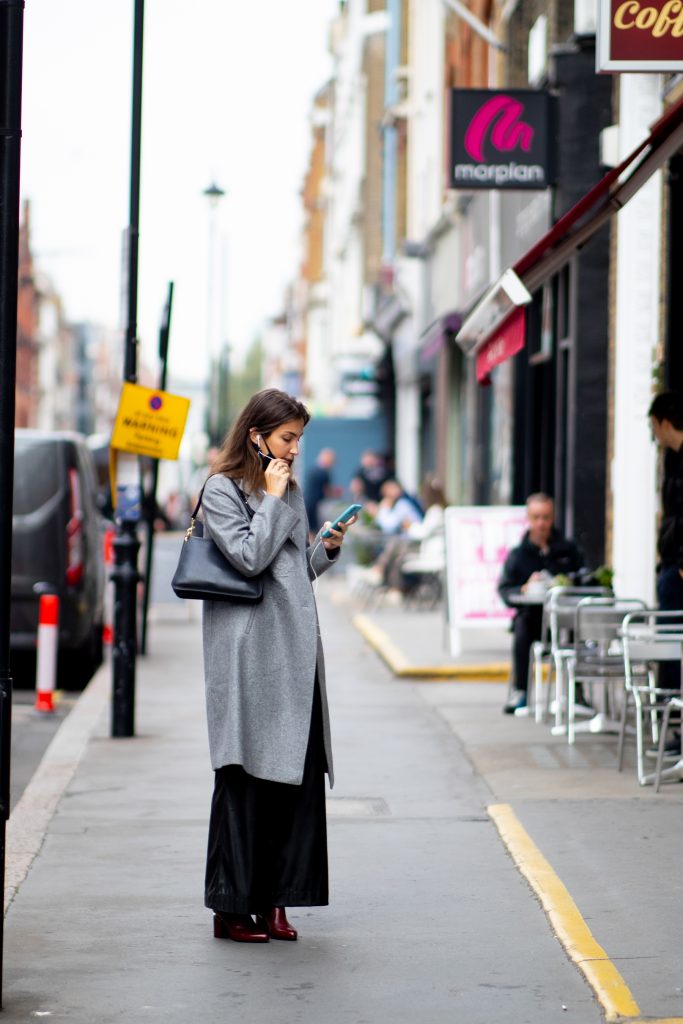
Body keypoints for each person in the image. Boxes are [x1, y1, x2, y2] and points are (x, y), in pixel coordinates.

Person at [199, 388, 355, 943]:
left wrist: (326, 550)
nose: (293, 450)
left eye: (298, 440)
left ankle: (279, 899)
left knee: (299, 778)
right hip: (248, 659)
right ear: (256, 437)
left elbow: (292, 568)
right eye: (287, 438)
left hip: (294, 653)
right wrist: (270, 498)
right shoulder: (222, 489)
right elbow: (249, 557)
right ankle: (233, 907)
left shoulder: (285, 487)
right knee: (246, 780)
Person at [498, 493, 583, 715]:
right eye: (536, 517)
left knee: (581, 626)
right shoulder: (518, 554)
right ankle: (521, 692)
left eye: (546, 517)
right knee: (522, 626)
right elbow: (505, 590)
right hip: (534, 620)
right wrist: (524, 589)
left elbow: (585, 576)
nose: (541, 523)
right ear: (528, 518)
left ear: (552, 518)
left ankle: (578, 693)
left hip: (565, 619)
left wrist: (568, 581)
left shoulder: (568, 549)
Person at [648, 391, 683, 699]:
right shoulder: (673, 460)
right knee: (670, 641)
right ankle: (672, 714)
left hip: (678, 566)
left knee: (674, 641)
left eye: (654, 427)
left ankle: (673, 709)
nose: (654, 435)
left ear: (664, 422)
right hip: (670, 563)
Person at [304, 447, 337, 536]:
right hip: (316, 505)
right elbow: (328, 491)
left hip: (307, 502)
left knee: (310, 528)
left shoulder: (313, 469)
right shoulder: (323, 472)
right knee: (315, 530)